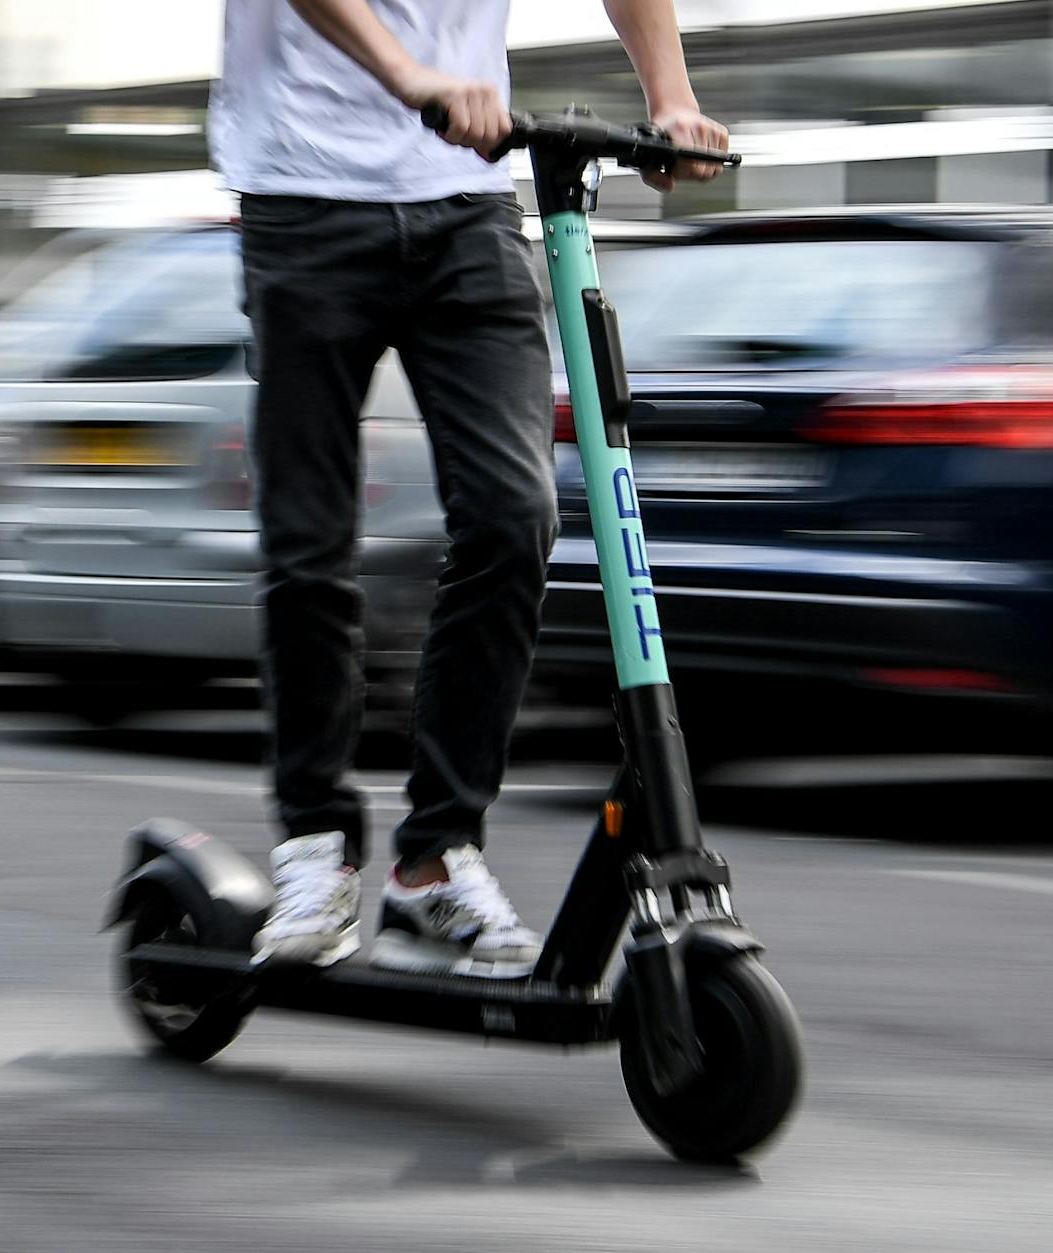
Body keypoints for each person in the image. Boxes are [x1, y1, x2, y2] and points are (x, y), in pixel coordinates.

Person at [213, 0, 728, 973]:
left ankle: (434, 860)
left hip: (467, 207)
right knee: (310, 543)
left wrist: (669, 98)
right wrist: (410, 75)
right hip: (302, 197)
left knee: (511, 514)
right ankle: (314, 849)